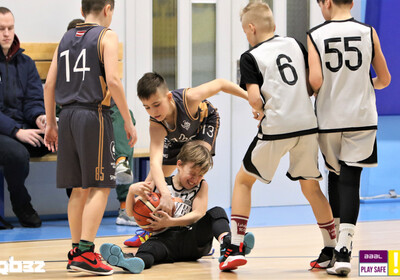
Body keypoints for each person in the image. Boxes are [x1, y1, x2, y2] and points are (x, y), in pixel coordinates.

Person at [219, 1, 338, 272]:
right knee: (311, 188)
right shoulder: (295, 44)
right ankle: (331, 248)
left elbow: (254, 97)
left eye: (244, 31)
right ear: (272, 25)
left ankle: (235, 246)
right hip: (308, 126)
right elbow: (310, 84)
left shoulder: (250, 56)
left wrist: (258, 109)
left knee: (243, 181)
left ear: (251, 28)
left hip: (277, 128)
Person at [43, 0, 137, 276]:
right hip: (93, 115)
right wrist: (128, 122)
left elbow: (49, 84)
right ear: (108, 8)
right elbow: (114, 81)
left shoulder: (66, 37)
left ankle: (75, 251)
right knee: (100, 185)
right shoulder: (107, 36)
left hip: (67, 116)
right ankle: (86, 252)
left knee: (77, 188)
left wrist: (51, 123)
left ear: (83, 10)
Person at [307, 0, 391, 276]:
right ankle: (344, 251)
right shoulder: (368, 32)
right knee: (351, 179)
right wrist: (368, 87)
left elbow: (316, 82)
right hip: (362, 117)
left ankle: (334, 249)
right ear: (352, 2)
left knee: (335, 175)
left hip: (329, 119)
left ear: (327, 2)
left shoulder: (315, 34)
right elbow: (385, 79)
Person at [99, 141, 255, 273]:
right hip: (165, 241)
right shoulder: (160, 184)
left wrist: (169, 222)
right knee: (148, 248)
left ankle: (229, 243)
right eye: (192, 173)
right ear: (179, 165)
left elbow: (198, 214)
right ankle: (134, 262)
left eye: (200, 175)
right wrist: (131, 191)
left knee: (216, 212)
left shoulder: (201, 186)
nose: (195, 179)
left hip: (194, 240)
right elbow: (131, 214)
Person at [64, 18, 137, 227]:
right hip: (74, 118)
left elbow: (111, 88)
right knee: (118, 118)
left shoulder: (99, 60)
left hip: (99, 117)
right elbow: (52, 91)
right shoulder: (65, 61)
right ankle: (120, 160)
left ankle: (121, 165)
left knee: (123, 114)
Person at [0, 7, 49, 228]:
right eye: (1, 29)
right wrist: (16, 131)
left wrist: (40, 117)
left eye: (10, 28)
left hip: (25, 129)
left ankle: (77, 204)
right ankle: (21, 204)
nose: (7, 33)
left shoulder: (26, 62)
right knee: (17, 155)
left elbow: (33, 100)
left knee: (66, 142)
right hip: (5, 133)